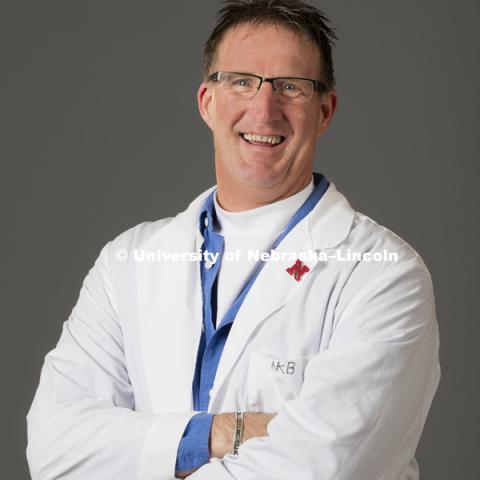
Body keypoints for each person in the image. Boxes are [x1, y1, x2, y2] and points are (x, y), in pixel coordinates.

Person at [26, 1, 440, 479]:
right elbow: (55, 449)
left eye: (291, 86)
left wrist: (147, 454)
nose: (264, 109)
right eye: (241, 81)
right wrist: (227, 431)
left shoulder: (383, 273)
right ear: (208, 102)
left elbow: (318, 469)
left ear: (325, 110)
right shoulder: (129, 261)